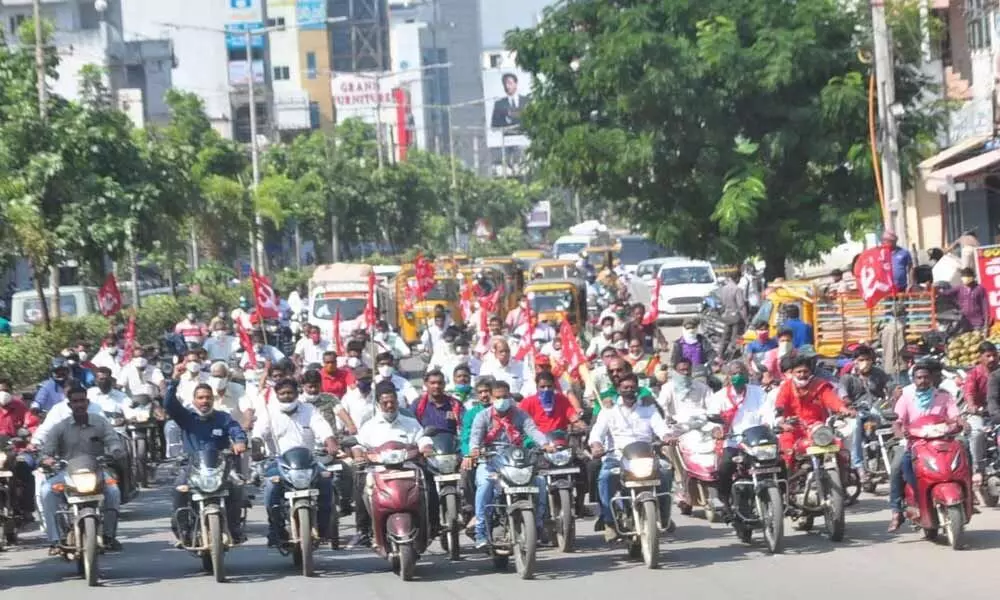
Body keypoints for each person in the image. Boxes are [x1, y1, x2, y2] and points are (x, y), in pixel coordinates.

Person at [163, 364, 248, 546]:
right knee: (179, 487)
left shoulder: (223, 418)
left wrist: (240, 441)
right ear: (194, 401)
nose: (204, 401)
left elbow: (236, 430)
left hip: (221, 466)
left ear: (213, 400)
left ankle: (234, 527)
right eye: (200, 398)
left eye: (208, 398)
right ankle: (184, 529)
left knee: (237, 486)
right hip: (192, 466)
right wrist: (174, 380)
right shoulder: (187, 417)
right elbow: (169, 404)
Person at [251, 378, 338, 547]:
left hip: (309, 461)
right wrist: (256, 447)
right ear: (277, 395)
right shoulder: (269, 412)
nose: (287, 396)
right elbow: (258, 433)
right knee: (271, 487)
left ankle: (323, 526)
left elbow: (322, 427)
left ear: (297, 393)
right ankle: (276, 529)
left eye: (290, 393)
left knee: (326, 480)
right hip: (279, 462)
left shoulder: (309, 410)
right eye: (282, 394)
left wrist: (330, 441)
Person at [466, 379, 552, 548]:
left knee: (540, 483)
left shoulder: (519, 414)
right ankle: (481, 531)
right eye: (498, 397)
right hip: (490, 460)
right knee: (485, 485)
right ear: (490, 398)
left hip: (515, 461)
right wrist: (475, 449)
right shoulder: (482, 416)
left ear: (510, 397)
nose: (502, 401)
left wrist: (545, 444)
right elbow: (475, 437)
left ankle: (538, 525)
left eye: (505, 397)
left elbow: (532, 430)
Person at [39, 384, 125, 552]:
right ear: (69, 405)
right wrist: (46, 459)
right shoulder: (60, 427)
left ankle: (109, 535)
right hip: (66, 473)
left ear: (88, 402)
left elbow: (112, 440)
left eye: (82, 401)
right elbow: (47, 450)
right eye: (75, 401)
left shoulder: (100, 422)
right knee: (47, 491)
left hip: (97, 471)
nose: (79, 404)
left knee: (113, 490)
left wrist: (115, 451)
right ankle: (56, 540)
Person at [588, 372, 673, 541]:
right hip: (617, 457)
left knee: (665, 472)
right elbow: (596, 433)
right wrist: (596, 445)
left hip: (646, 457)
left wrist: (667, 437)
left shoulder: (648, 409)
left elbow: (661, 428)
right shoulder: (609, 410)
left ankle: (664, 515)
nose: (629, 391)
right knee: (605, 477)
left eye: (633, 388)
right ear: (618, 389)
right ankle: (609, 522)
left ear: (638, 389)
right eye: (625, 388)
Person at [349, 382, 433, 548]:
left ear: (397, 401)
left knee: (429, 479)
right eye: (385, 403)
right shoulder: (370, 426)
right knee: (360, 481)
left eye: (392, 402)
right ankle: (363, 530)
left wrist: (426, 447)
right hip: (379, 470)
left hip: (408, 469)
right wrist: (358, 454)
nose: (389, 406)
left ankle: (433, 524)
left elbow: (422, 437)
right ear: (378, 404)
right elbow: (358, 444)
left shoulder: (410, 422)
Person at [888, 362, 962, 531]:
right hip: (914, 443)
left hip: (941, 441)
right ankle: (896, 511)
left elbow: (954, 416)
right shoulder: (906, 397)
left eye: (926, 377)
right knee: (898, 467)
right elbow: (897, 421)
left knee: (963, 452)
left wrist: (960, 423)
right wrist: (900, 433)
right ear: (913, 380)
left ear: (932, 379)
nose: (922, 381)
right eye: (919, 378)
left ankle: (968, 492)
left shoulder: (944, 396)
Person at [706, 361, 775, 512]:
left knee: (779, 463)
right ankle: (724, 499)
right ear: (729, 377)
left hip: (756, 441)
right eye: (734, 373)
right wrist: (717, 430)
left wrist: (769, 424)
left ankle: (781, 497)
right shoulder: (720, 396)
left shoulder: (758, 392)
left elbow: (768, 411)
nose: (738, 376)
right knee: (725, 466)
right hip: (733, 441)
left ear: (747, 375)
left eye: (741, 373)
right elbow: (712, 419)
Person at [773, 356, 853, 468]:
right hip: (793, 427)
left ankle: (846, 474)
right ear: (792, 373)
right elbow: (780, 404)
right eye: (798, 372)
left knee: (838, 446)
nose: (802, 375)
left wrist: (844, 410)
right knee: (786, 448)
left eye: (805, 371)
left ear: (810, 372)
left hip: (817, 427)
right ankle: (790, 480)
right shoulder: (786, 387)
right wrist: (781, 422)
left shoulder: (820, 385)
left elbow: (832, 400)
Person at [840, 345, 891, 481]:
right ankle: (859, 466)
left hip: (877, 409)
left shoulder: (878, 374)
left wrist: (894, 391)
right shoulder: (848, 377)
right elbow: (843, 394)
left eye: (868, 359)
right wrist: (848, 404)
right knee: (856, 428)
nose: (865, 362)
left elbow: (890, 385)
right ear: (855, 361)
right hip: (857, 412)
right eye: (861, 359)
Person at [963, 342, 996, 485]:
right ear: (980, 357)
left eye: (994, 355)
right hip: (980, 412)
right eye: (988, 356)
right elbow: (969, 392)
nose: (992, 359)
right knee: (977, 433)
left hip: (997, 412)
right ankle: (977, 469)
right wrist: (972, 406)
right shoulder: (974, 373)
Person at [519, 371, 583, 436]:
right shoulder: (528, 402)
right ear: (537, 387)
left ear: (554, 386)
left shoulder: (561, 399)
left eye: (549, 386)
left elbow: (571, 414)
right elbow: (520, 420)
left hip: (560, 436)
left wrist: (578, 422)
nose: (546, 389)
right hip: (539, 439)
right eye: (542, 387)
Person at [937, 267, 991, 334]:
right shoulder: (959, 288)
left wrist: (986, 323)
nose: (966, 279)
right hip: (964, 320)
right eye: (964, 276)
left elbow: (985, 305)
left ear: (973, 277)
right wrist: (936, 290)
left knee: (977, 339)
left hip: (978, 321)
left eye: (968, 276)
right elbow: (946, 293)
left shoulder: (980, 289)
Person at [880, 304, 910, 387]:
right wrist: (910, 356)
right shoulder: (900, 327)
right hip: (898, 366)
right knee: (905, 392)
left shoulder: (886, 328)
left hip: (888, 365)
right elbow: (901, 348)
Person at [338, 366, 376, 432]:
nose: (365, 382)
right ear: (356, 381)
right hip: (355, 436)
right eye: (362, 380)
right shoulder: (348, 398)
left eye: (367, 379)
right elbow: (340, 422)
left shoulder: (377, 396)